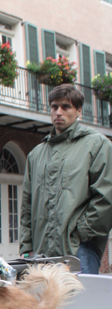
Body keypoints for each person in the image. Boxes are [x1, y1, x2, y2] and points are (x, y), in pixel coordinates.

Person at [20, 84, 112, 273]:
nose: (58, 112)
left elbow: (106, 196)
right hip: (41, 254)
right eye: (54, 107)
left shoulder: (97, 145)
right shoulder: (36, 154)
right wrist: (26, 246)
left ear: (78, 110)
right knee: (45, 303)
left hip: (79, 250)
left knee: (82, 302)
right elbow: (27, 205)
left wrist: (81, 233)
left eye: (65, 107)